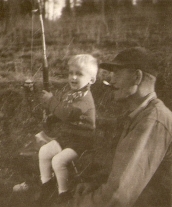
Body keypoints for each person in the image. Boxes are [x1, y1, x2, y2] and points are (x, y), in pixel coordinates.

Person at [68, 47, 172, 207]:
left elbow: (118, 196)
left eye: (117, 73)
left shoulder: (153, 119)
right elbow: (121, 170)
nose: (111, 80)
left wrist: (78, 204)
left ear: (137, 77)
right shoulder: (139, 114)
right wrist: (95, 186)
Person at [37, 54, 98, 205]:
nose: (73, 77)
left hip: (82, 141)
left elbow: (69, 114)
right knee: (43, 152)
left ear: (91, 79)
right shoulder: (70, 94)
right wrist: (51, 117)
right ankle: (47, 185)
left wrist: (51, 101)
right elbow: (62, 112)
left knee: (58, 161)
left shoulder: (85, 98)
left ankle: (64, 194)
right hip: (67, 138)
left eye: (79, 74)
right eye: (71, 73)